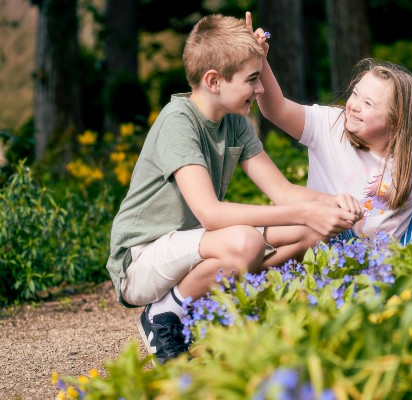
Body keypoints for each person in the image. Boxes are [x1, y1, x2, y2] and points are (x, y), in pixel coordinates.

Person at [105, 14, 362, 365]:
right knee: (245, 242)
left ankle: (226, 309)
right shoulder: (178, 122)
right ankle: (163, 315)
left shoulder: (235, 123)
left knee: (310, 232)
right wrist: (305, 211)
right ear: (213, 80)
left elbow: (283, 192)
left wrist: (336, 204)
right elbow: (211, 213)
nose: (260, 90)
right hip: (141, 259)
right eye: (252, 80)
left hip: (194, 246)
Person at [253, 18, 412, 244]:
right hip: (332, 237)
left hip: (395, 246)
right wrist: (261, 61)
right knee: (311, 221)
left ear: (396, 121)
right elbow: (275, 110)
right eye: (355, 94)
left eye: (368, 104)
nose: (353, 106)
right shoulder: (329, 124)